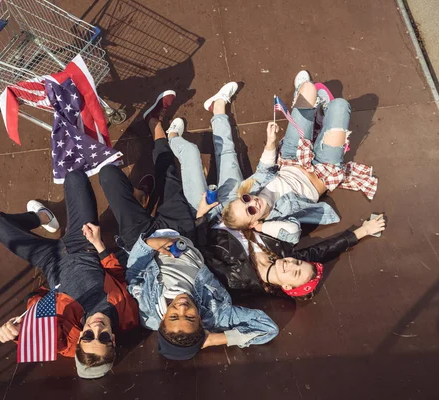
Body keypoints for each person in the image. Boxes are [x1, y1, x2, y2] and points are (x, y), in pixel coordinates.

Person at [98, 90, 279, 361]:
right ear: (201, 323)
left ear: (162, 322)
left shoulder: (147, 315)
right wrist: (218, 339)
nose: (182, 307)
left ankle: (141, 196)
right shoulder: (218, 312)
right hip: (182, 230)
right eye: (190, 316)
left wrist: (150, 245)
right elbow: (268, 328)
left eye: (173, 315)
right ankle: (155, 123)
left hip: (141, 238)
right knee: (169, 172)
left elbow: (133, 275)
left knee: (108, 175)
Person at [168, 81, 385, 299]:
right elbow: (322, 251)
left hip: (205, 212)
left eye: (294, 272)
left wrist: (200, 215)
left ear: (287, 288)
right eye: (298, 264)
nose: (291, 265)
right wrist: (362, 231)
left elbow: (198, 249)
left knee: (190, 152)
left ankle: (171, 138)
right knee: (228, 152)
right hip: (237, 204)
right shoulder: (282, 250)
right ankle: (218, 106)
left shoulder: (237, 280)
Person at [0, 170, 139, 379]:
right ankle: (45, 217)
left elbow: (34, 304)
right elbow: (119, 276)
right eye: (103, 338)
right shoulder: (128, 315)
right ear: (113, 339)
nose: (96, 328)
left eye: (88, 336)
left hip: (49, 261)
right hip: (84, 243)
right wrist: (99, 245)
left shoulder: (64, 341)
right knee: (75, 177)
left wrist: (18, 330)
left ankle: (40, 217)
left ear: (79, 340)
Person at [220, 71, 378, 244]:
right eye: (250, 211)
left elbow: (264, 167)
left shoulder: (252, 189)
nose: (253, 202)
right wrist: (260, 228)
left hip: (292, 156)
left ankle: (315, 113)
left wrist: (271, 143)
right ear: (252, 223)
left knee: (309, 88)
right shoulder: (278, 219)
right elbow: (293, 233)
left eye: (245, 199)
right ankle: (320, 117)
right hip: (322, 170)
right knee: (340, 106)